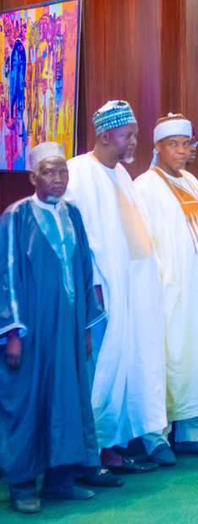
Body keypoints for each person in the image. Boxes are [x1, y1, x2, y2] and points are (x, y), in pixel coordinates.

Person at [1, 143, 104, 514]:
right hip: (31, 330)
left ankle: (62, 479)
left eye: (63, 171)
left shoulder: (73, 214)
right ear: (33, 177)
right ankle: (23, 484)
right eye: (49, 171)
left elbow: (84, 271)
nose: (58, 178)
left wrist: (86, 328)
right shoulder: (16, 217)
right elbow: (6, 274)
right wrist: (12, 331)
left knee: (68, 398)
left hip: (69, 329)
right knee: (28, 401)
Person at [65, 100, 165, 476]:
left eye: (135, 134)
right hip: (101, 297)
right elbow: (79, 240)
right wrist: (93, 290)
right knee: (101, 373)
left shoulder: (122, 175)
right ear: (106, 135)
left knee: (127, 369)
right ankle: (91, 453)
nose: (134, 142)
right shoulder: (78, 173)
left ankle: (115, 447)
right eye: (128, 135)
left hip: (133, 293)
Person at [135, 114, 198, 460]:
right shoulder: (145, 186)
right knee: (164, 360)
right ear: (157, 147)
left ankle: (193, 433)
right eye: (172, 145)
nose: (180, 151)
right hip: (167, 291)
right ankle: (156, 437)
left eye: (185, 144)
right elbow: (143, 242)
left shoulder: (193, 182)